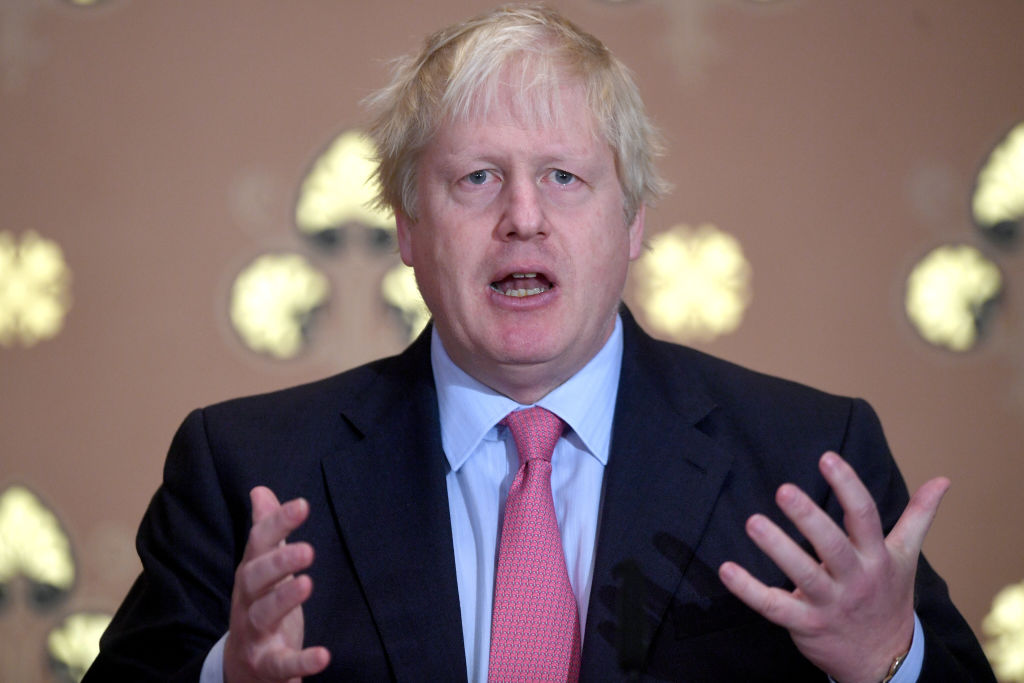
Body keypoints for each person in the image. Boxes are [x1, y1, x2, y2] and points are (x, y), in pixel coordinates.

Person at [85, 5, 995, 682]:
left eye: (564, 177)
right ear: (407, 227)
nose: (523, 218)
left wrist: (887, 658)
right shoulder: (244, 469)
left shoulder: (807, 459)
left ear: (633, 221)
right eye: (477, 178)